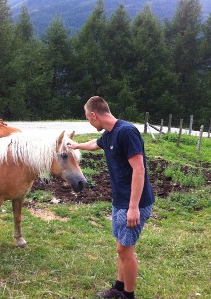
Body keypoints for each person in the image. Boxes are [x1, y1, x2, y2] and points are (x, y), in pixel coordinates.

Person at [67, 96, 155, 299]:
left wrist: (133, 207)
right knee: (121, 248)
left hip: (134, 203)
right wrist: (76, 145)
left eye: (87, 118)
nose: (88, 121)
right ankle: (119, 287)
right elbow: (95, 144)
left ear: (94, 115)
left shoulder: (126, 132)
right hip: (120, 201)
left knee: (125, 250)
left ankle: (128, 295)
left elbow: (139, 170)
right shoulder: (109, 134)